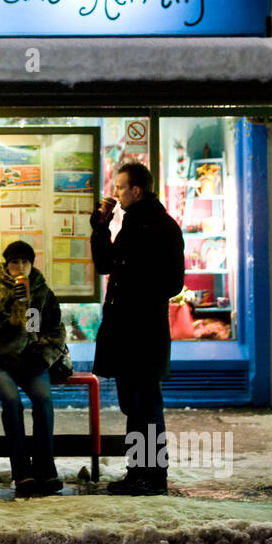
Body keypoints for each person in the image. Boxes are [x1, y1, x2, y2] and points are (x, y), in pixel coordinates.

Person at [90, 161, 185, 496]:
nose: (115, 193)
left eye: (120, 187)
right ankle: (138, 472)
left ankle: (152, 475)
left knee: (145, 404)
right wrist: (100, 229)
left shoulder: (161, 227)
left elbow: (173, 282)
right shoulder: (130, 225)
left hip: (143, 333)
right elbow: (105, 265)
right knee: (133, 404)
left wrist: (137, 291)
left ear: (137, 190)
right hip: (125, 332)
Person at [0, 240, 67, 496]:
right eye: (15, 262)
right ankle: (22, 472)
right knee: (12, 401)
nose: (20, 266)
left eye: (25, 261)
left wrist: (43, 354)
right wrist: (5, 301)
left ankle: (46, 469)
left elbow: (55, 330)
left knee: (43, 400)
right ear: (6, 264)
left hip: (29, 360)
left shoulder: (41, 291)